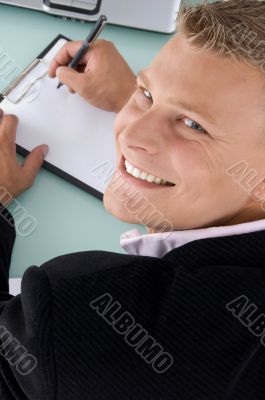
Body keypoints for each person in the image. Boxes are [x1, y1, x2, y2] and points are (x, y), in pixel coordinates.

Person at [1, 0, 265, 398]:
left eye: (194, 125)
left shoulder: (83, 321)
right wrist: (156, 98)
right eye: (146, 94)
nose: (131, 134)